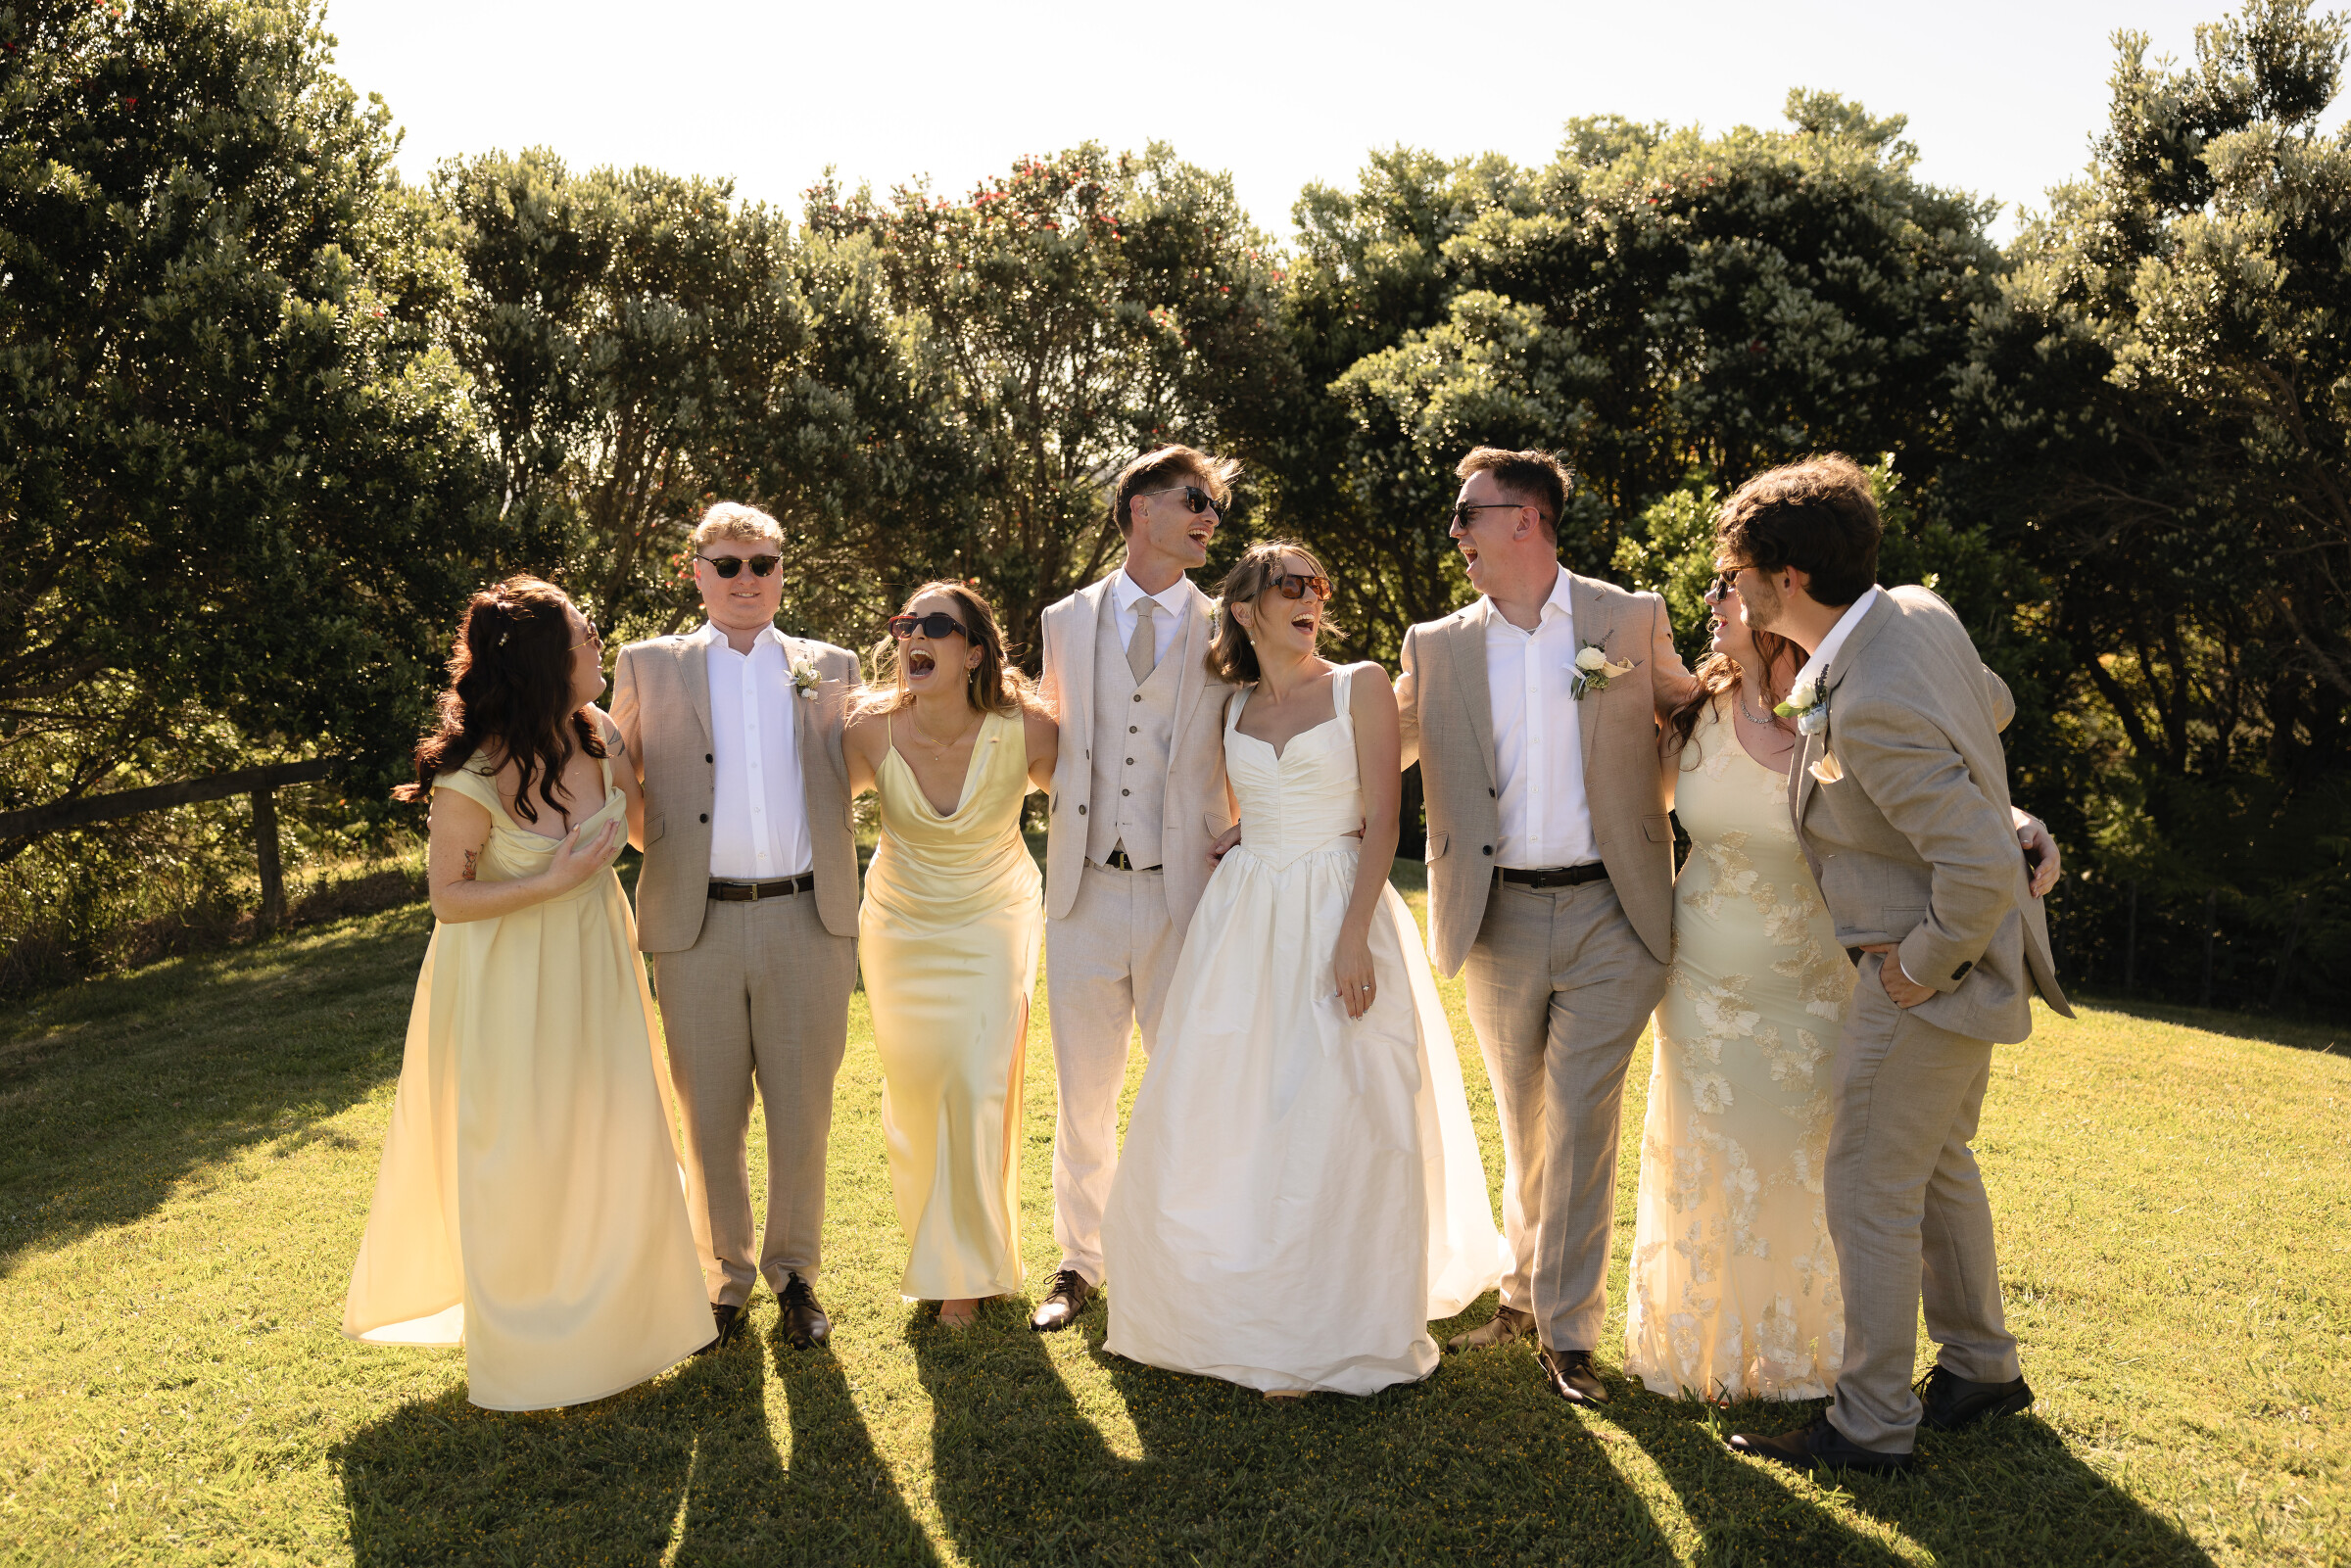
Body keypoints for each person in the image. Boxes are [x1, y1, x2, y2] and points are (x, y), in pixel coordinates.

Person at [1623, 568, 2064, 1402]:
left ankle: (1806, 1350)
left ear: (1779, 594)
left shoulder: (1850, 687)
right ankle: (1708, 1340)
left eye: (1729, 584)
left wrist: (2008, 817)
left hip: (1821, 982)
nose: (1712, 600)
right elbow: (1623, 808)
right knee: (1707, 1155)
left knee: (1833, 1167)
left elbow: (1948, 747)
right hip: (1700, 986)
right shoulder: (1695, 710)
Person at [1712, 455, 2072, 1474]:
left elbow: (1973, 861)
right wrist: (2000, 807)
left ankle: (1870, 1423)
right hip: (1973, 966)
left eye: (1738, 572)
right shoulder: (1915, 612)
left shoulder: (1866, 693)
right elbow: (1986, 707)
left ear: (1785, 577)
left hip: (1927, 978)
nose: (1732, 588)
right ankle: (1982, 1366)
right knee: (1938, 1160)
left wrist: (1919, 964)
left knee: (1870, 1188)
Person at [1101, 543, 1503, 1395]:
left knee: (1346, 1100)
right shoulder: (1233, 705)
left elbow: (1382, 818)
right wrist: (1252, 828)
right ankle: (1243, 1298)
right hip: (1247, 917)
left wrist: (1352, 934)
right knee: (1242, 1100)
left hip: (1339, 903)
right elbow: (1256, 799)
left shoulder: (1360, 684)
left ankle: (1340, 1312)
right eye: (1290, 585)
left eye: (1318, 583)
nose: (1311, 596)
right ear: (1246, 609)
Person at [344, 576, 711, 1410]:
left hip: (596, 959)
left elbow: (647, 828)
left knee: (611, 1128)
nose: (599, 641)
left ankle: (630, 1321)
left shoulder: (600, 732)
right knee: (522, 1150)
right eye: (587, 633)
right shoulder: (471, 775)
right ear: (550, 661)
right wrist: (551, 880)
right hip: (506, 978)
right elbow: (448, 899)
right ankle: (534, 1350)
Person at [1394, 448, 1700, 1406]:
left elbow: (1705, 717)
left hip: (1616, 907)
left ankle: (1568, 1334)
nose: (1456, 532)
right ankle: (1522, 1296)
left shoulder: (1628, 618)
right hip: (1494, 916)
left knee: (1578, 1118)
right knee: (1526, 1119)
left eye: (1467, 514)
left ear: (1524, 519)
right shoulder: (1435, 645)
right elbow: (1370, 749)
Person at [610, 502, 862, 1354]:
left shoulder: (832, 664)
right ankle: (725, 1280)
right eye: (727, 564)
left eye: (762, 563)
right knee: (709, 1116)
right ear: (698, 574)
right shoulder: (647, 664)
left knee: (802, 1113)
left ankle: (795, 1276)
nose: (746, 579)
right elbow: (616, 778)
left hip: (808, 917)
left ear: (782, 571)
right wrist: (664, 845)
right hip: (697, 924)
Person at [1028, 447, 1238, 1333]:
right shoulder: (1064, 619)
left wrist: (1257, 818)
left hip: (1182, 891)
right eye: (1196, 500)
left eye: (1216, 508)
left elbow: (1257, 728)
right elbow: (1045, 741)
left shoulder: (1227, 623)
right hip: (1081, 888)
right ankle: (1079, 1262)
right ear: (1141, 507)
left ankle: (1182, 1258)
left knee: (1184, 1085)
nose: (1210, 519)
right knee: (1083, 1093)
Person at [843, 583, 1057, 1330]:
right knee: (916, 1095)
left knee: (973, 1083)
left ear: (973, 652)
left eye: (936, 624)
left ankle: (963, 1276)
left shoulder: (1027, 728)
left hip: (993, 919)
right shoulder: (868, 731)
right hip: (899, 927)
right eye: (906, 623)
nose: (914, 636)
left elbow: (1093, 802)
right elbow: (806, 807)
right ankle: (947, 1251)